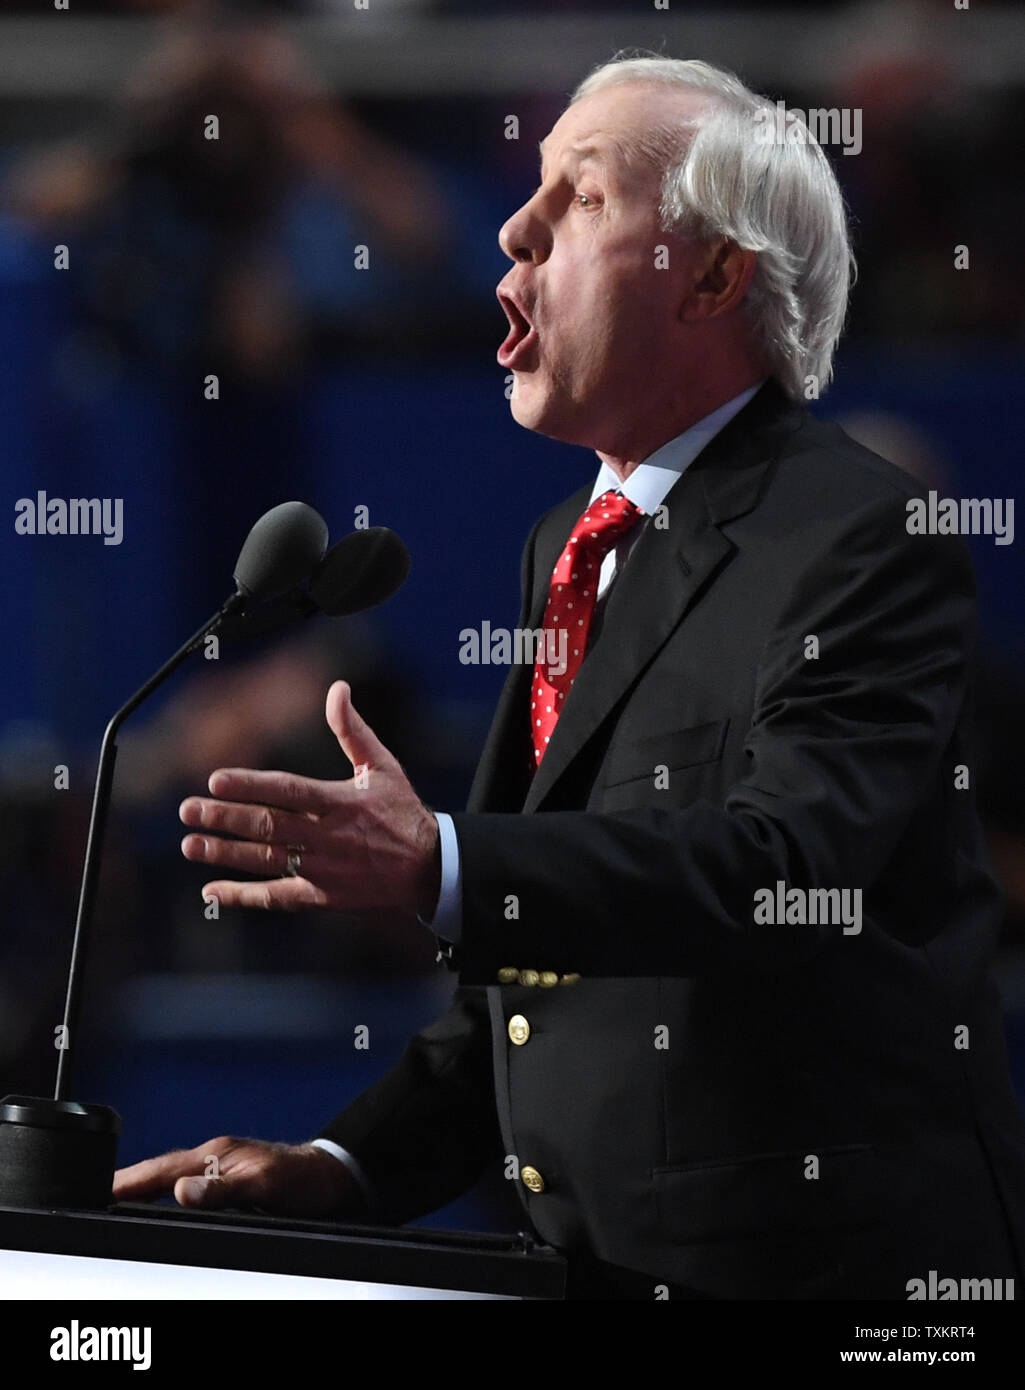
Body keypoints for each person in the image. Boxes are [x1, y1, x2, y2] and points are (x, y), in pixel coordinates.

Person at [114, 55, 1025, 1299]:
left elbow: (782, 875)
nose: (510, 228)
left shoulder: (860, 536)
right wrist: (343, 1162)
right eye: (531, 188)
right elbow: (542, 983)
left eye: (580, 197)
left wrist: (441, 862)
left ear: (711, 274)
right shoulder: (566, 545)